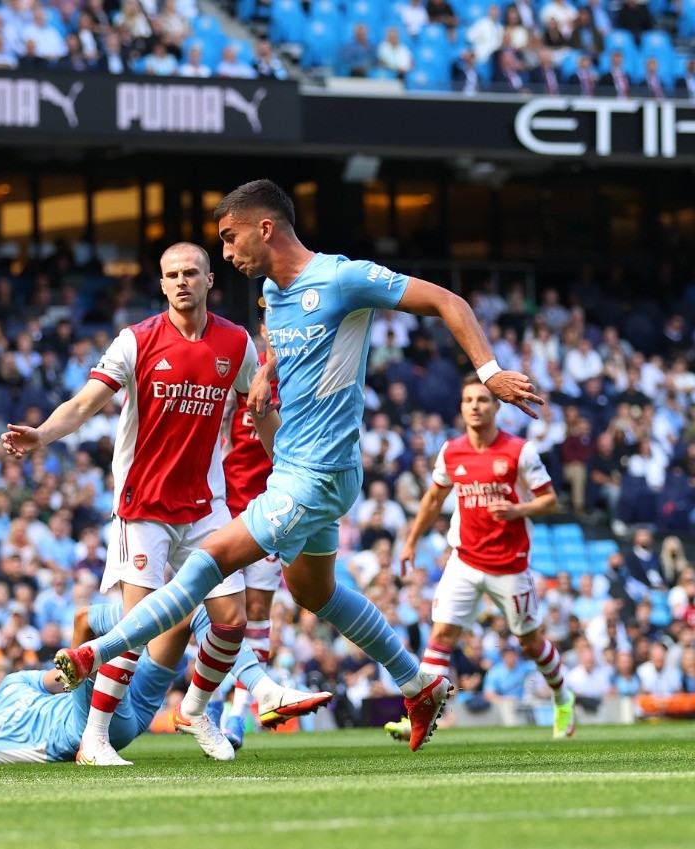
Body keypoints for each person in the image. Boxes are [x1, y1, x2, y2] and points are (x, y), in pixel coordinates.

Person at [54, 178, 542, 753]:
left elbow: (448, 302)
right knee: (315, 592)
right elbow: (283, 340)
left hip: (315, 473)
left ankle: (96, 654)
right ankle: (419, 681)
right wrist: (264, 373)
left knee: (205, 564)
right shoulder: (270, 292)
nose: (227, 253)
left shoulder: (342, 278)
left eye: (230, 239)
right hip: (302, 470)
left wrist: (490, 372)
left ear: (265, 229)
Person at [3, 242, 321, 766]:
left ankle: (195, 710)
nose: (181, 281)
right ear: (161, 283)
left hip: (204, 505)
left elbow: (260, 416)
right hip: (144, 505)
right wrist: (41, 435)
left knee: (231, 620)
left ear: (208, 280)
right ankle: (95, 739)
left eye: (190, 273)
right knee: (140, 625)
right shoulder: (136, 341)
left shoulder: (236, 343)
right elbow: (84, 404)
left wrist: (288, 471)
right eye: (172, 274)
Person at [0, 601, 299, 765]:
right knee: (85, 621)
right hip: (87, 727)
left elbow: (60, 679)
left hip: (122, 709)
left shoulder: (11, 684)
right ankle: (256, 689)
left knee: (183, 615)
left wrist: (76, 665)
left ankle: (197, 708)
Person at [386, 376, 573, 742]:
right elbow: (433, 500)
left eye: (483, 400)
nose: (475, 406)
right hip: (465, 560)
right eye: (469, 399)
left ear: (496, 407)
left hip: (510, 565)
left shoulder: (520, 451)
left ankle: (563, 697)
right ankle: (418, 717)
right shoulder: (451, 451)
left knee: (530, 644)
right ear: (461, 407)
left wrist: (519, 510)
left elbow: (550, 501)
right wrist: (410, 542)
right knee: (440, 634)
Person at [216, 308, 329, 748]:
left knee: (256, 615)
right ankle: (210, 696)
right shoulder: (238, 374)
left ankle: (236, 714)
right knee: (214, 612)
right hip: (222, 509)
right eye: (270, 326)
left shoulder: (308, 379)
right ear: (263, 331)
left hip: (272, 511)